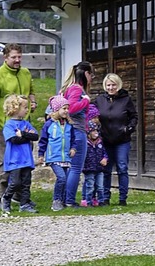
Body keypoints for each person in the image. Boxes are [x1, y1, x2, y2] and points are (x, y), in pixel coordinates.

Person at [0, 44, 37, 203]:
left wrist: (33, 103)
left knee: (25, 162)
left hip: (24, 126)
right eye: (14, 57)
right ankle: (1, 196)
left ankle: (20, 196)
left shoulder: (25, 73)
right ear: (5, 57)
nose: (17, 60)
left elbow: (31, 92)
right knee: (4, 162)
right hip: (4, 126)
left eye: (19, 57)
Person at [94, 73, 138, 206]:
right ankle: (105, 198)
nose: (111, 87)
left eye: (113, 85)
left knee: (122, 168)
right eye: (108, 85)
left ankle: (122, 198)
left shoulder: (126, 99)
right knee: (106, 169)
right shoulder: (100, 100)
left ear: (118, 85)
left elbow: (134, 116)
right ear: (105, 86)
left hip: (122, 140)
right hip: (105, 139)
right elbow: (92, 114)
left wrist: (129, 128)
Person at [59, 61, 95, 208]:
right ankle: (69, 201)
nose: (92, 78)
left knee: (69, 167)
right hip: (77, 131)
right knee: (75, 168)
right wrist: (86, 102)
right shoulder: (77, 89)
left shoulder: (68, 88)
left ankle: (63, 199)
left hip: (71, 131)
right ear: (85, 73)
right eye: (91, 75)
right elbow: (71, 109)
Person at [37, 95, 76, 212]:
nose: (67, 111)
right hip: (54, 157)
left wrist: (73, 148)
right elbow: (43, 141)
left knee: (65, 179)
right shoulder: (49, 125)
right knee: (62, 178)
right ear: (56, 109)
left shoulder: (69, 125)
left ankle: (63, 200)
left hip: (66, 158)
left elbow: (74, 139)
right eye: (64, 108)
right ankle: (56, 201)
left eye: (67, 108)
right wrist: (41, 155)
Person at [1, 94, 39, 213]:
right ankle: (6, 197)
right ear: (16, 108)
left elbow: (35, 136)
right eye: (25, 107)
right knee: (15, 182)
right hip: (15, 160)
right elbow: (13, 140)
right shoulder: (9, 125)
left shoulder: (25, 124)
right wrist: (26, 136)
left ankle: (25, 204)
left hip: (26, 159)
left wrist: (23, 134)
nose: (27, 110)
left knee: (26, 183)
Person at [81, 112, 108, 207]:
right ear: (88, 133)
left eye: (96, 131)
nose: (95, 133)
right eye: (93, 131)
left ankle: (101, 201)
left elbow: (104, 152)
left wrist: (105, 158)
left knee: (100, 186)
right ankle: (88, 201)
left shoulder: (100, 143)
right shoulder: (86, 144)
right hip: (89, 169)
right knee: (90, 186)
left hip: (99, 168)